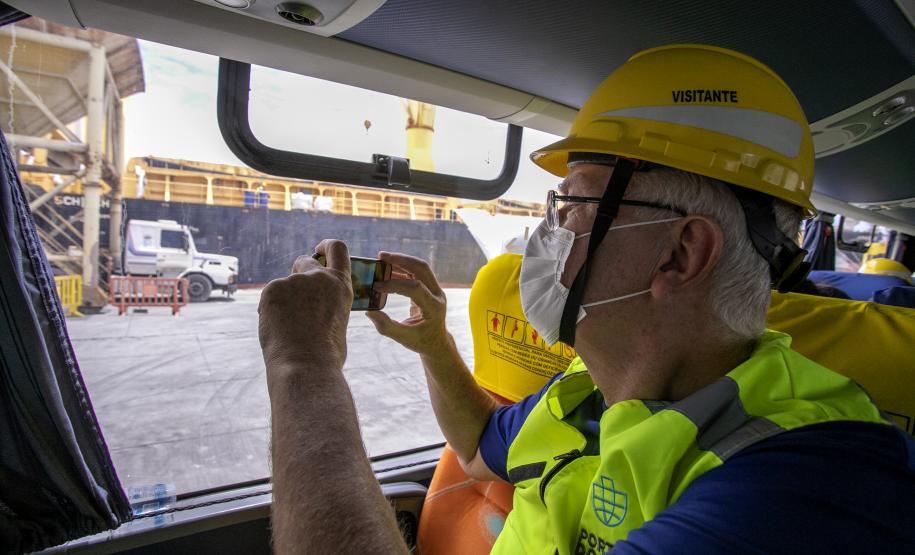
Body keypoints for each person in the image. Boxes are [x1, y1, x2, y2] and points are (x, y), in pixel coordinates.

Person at [258, 45, 915, 553]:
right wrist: (435, 342)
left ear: (679, 252)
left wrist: (301, 366)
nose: (545, 233)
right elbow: (478, 446)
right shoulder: (594, 382)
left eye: (570, 205)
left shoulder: (805, 481)